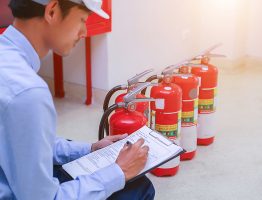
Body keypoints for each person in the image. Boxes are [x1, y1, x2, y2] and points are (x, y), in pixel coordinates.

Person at [0, 0, 155, 199]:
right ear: (53, 11)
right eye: (82, 20)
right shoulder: (29, 92)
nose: (83, 32)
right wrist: (120, 171)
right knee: (138, 188)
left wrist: (89, 149)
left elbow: (24, 143)